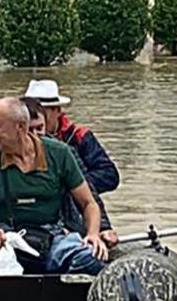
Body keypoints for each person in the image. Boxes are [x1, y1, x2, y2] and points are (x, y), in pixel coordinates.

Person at [0, 97, 108, 276]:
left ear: (20, 127)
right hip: (1, 241)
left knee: (91, 257)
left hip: (50, 240)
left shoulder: (60, 153)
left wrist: (93, 234)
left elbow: (89, 204)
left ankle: (61, 294)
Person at [24, 79, 120, 246]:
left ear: (57, 111)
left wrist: (68, 184)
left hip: (73, 210)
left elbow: (107, 178)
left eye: (41, 113)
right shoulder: (1, 148)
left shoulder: (78, 137)